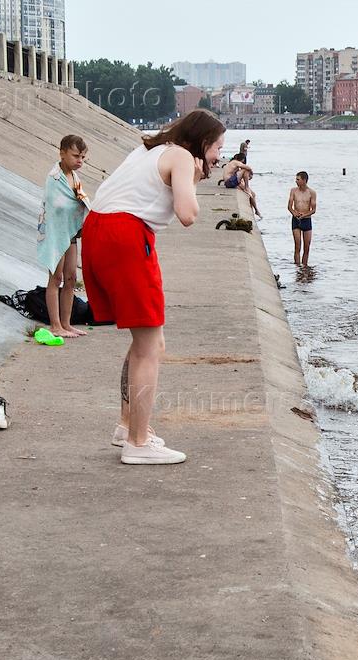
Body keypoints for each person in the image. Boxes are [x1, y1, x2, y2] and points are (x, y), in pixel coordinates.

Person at [80, 109, 226, 466]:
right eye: (218, 148)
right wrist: (192, 176)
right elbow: (189, 215)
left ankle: (128, 426)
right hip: (126, 235)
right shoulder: (179, 156)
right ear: (203, 142)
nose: (219, 156)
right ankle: (138, 442)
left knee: (146, 341)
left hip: (98, 231)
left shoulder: (149, 150)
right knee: (150, 346)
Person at [36, 134, 91, 339]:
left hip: (71, 233)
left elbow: (77, 202)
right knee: (55, 278)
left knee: (71, 278)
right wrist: (76, 204)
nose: (80, 161)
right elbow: (56, 205)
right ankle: (55, 325)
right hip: (56, 233)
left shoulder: (74, 177)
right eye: (76, 156)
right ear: (62, 153)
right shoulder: (55, 178)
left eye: (83, 158)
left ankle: (67, 324)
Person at [288, 171, 317, 267]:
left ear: (304, 180)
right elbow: (289, 206)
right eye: (296, 179)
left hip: (306, 220)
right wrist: (294, 213)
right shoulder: (293, 190)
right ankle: (297, 268)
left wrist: (304, 215)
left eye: (298, 179)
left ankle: (304, 267)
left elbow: (313, 210)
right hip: (296, 219)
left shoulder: (311, 193)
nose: (296, 181)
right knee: (297, 246)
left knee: (307, 247)